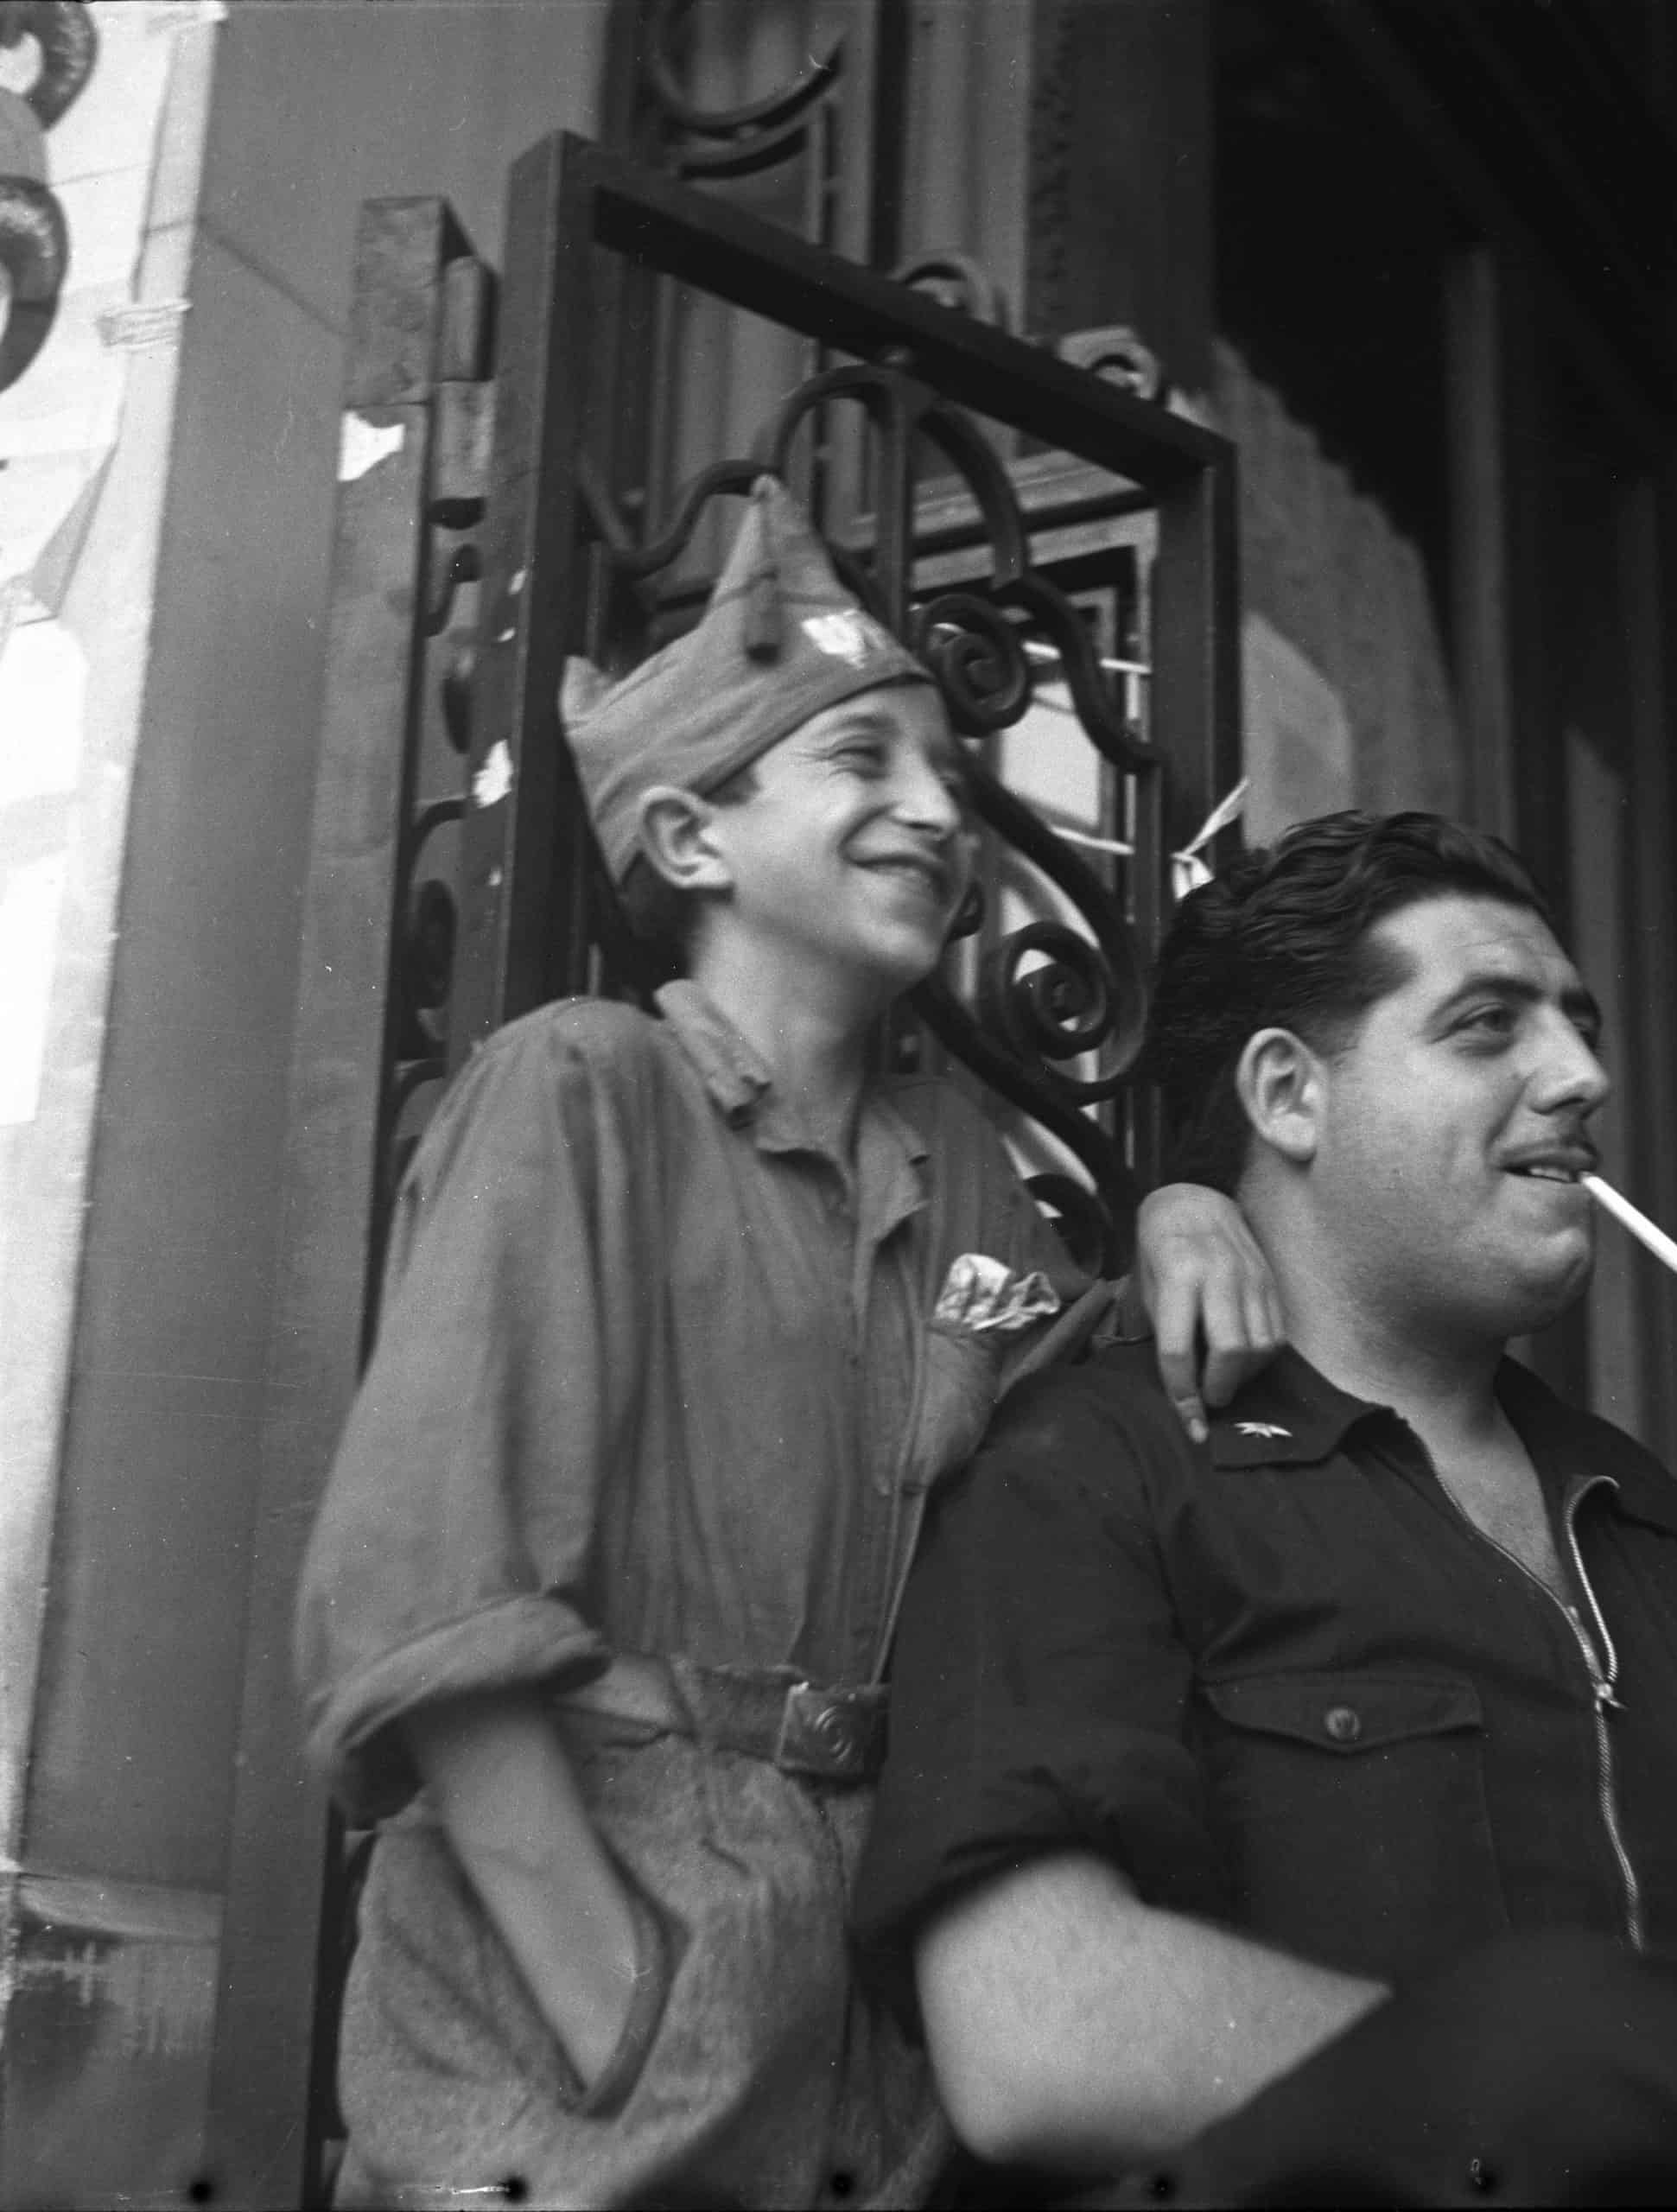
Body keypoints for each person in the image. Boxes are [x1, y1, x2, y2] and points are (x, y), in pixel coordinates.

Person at [853, 810, 1677, 2205]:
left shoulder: (1651, 1516)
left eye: (1579, 1024)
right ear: (1290, 1096)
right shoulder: (1097, 1467)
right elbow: (1034, 2036)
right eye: (1486, 1026)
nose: (1582, 1075)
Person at [294, 477, 1276, 2210]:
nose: (937, 811)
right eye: (863, 763)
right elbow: (426, 1601)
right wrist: (617, 1998)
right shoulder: (584, 1087)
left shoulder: (958, 1172)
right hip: (568, 2087)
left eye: (950, 777)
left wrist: (1195, 1211)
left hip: (860, 2062)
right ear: (690, 840)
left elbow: (1079, 1400)